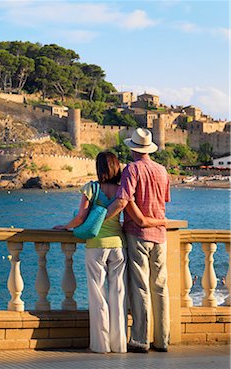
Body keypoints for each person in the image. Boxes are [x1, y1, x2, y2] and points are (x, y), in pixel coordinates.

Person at [54, 151, 160, 353]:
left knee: (98, 295)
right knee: (119, 295)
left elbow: (81, 218)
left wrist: (66, 226)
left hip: (96, 246)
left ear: (99, 168)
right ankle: (119, 345)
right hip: (118, 245)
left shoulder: (91, 188)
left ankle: (100, 345)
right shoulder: (122, 189)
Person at [106, 128, 170, 353]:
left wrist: (101, 218)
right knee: (160, 287)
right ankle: (162, 340)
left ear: (133, 148)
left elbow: (122, 200)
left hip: (138, 234)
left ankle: (140, 340)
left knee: (141, 286)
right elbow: (164, 201)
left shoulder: (131, 169)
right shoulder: (162, 170)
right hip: (160, 235)